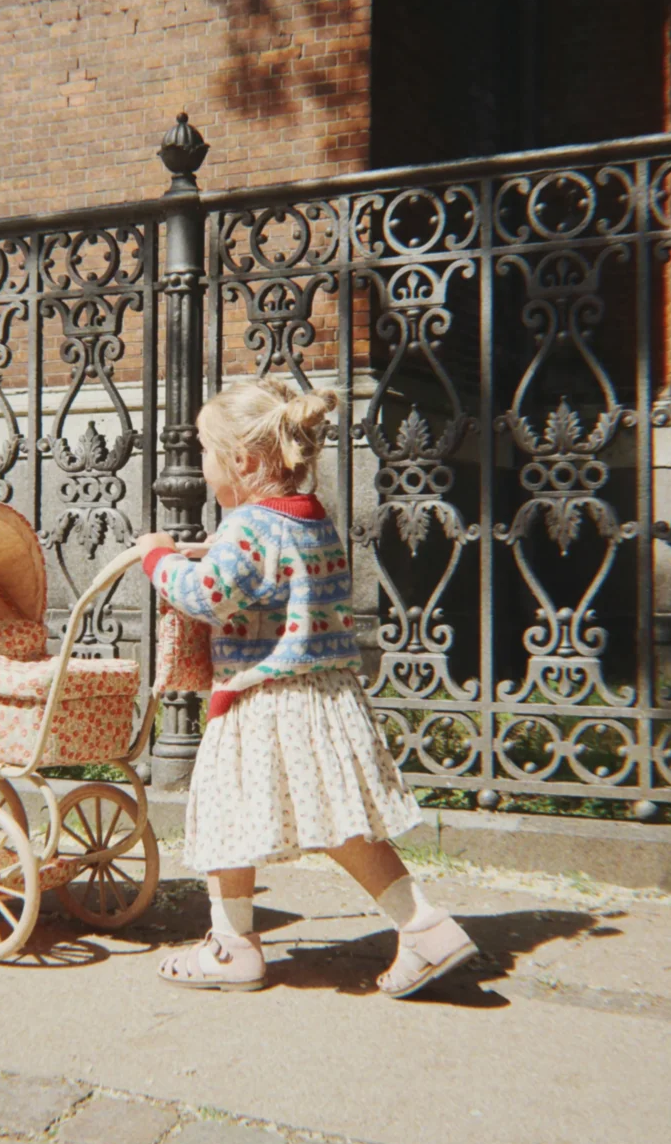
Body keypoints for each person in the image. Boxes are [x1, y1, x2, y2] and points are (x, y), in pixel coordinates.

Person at [135, 377, 477, 996]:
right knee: (342, 822)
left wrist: (158, 557)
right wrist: (218, 546)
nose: (205, 470)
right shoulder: (309, 519)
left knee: (221, 813)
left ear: (240, 461)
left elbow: (208, 595)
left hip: (263, 698)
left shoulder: (248, 529)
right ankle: (422, 925)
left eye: (208, 456)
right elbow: (270, 570)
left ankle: (234, 944)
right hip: (323, 692)